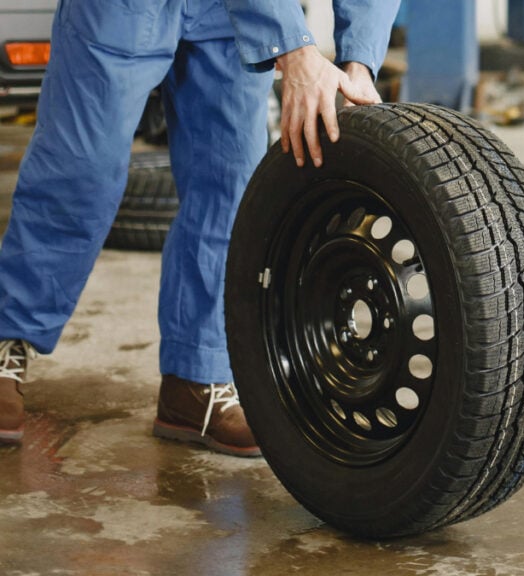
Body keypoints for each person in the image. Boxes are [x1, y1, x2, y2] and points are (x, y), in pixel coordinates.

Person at [0, 0, 400, 456]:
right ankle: (6, 337)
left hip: (230, 14)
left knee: (228, 183)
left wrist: (359, 62)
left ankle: (195, 381)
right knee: (80, 172)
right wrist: (295, 51)